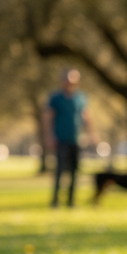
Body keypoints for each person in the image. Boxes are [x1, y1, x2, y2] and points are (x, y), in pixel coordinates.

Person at [43, 69, 93, 207]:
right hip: (60, 139)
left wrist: (91, 134)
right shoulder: (56, 98)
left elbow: (86, 117)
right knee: (60, 171)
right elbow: (48, 118)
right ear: (63, 82)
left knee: (74, 171)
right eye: (67, 81)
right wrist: (49, 135)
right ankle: (55, 201)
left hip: (76, 139)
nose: (70, 84)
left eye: (73, 82)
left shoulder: (81, 98)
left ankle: (71, 201)